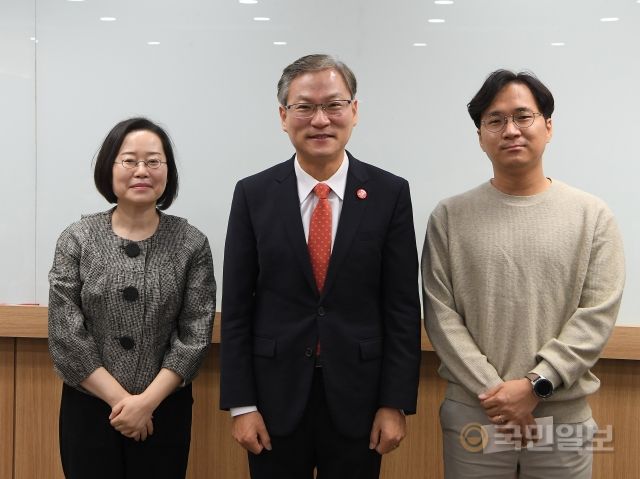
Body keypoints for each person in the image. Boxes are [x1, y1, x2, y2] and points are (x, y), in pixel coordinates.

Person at [220, 54, 421, 478]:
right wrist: (243, 404)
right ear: (283, 115)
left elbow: (402, 308)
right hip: (273, 401)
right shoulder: (253, 194)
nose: (320, 119)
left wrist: (394, 402)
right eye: (305, 107)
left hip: (360, 400)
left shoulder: (389, 193)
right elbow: (237, 307)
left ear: (354, 111)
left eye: (333, 105)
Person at [422, 69, 625, 478]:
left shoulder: (592, 216)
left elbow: (596, 315)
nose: (510, 130)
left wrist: (535, 384)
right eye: (495, 120)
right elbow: (441, 317)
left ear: (548, 127)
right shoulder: (450, 216)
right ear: (480, 136)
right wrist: (498, 397)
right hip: (477, 415)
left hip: (560, 415)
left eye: (523, 116)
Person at [48, 117, 216, 479]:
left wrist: (146, 404)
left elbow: (195, 334)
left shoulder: (192, 243)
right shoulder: (77, 239)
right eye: (130, 160)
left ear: (167, 172)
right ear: (109, 168)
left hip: (164, 410)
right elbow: (66, 333)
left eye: (154, 161)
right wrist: (123, 403)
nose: (142, 170)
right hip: (89, 407)